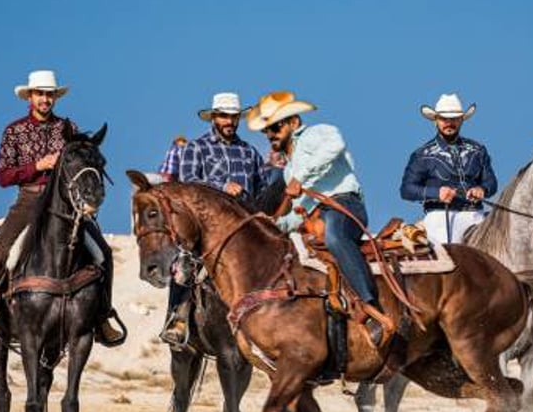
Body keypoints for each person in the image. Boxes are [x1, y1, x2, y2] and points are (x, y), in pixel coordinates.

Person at [0, 70, 125, 346]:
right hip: (28, 200)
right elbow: (3, 176)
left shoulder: (69, 128)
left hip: (65, 201)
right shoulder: (14, 131)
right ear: (30, 96)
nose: (45, 99)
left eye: (49, 94)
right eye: (40, 93)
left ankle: (102, 316)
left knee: (104, 253)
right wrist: (37, 166)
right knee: (0, 250)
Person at [247, 91, 392, 339]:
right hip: (313, 217)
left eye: (275, 127)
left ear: (293, 122)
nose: (270, 135)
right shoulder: (287, 169)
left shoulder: (318, 133)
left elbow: (335, 146)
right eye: (266, 131)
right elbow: (298, 211)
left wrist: (300, 177)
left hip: (344, 204)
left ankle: (371, 306)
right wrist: (276, 225)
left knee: (335, 237)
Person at [160, 92, 270, 346]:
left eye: (233, 117)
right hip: (205, 229)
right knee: (183, 263)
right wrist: (221, 186)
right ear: (213, 118)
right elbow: (188, 185)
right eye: (224, 116)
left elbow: (261, 188)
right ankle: (177, 318)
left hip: (242, 230)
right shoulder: (195, 148)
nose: (229, 122)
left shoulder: (250, 153)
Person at [400, 93, 498, 244]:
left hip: (476, 215)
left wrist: (482, 190)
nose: (449, 123)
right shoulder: (422, 155)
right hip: (440, 217)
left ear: (461, 120)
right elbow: (406, 189)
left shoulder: (478, 150)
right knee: (450, 257)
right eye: (444, 119)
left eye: (454, 119)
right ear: (435, 121)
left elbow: (491, 182)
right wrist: (437, 193)